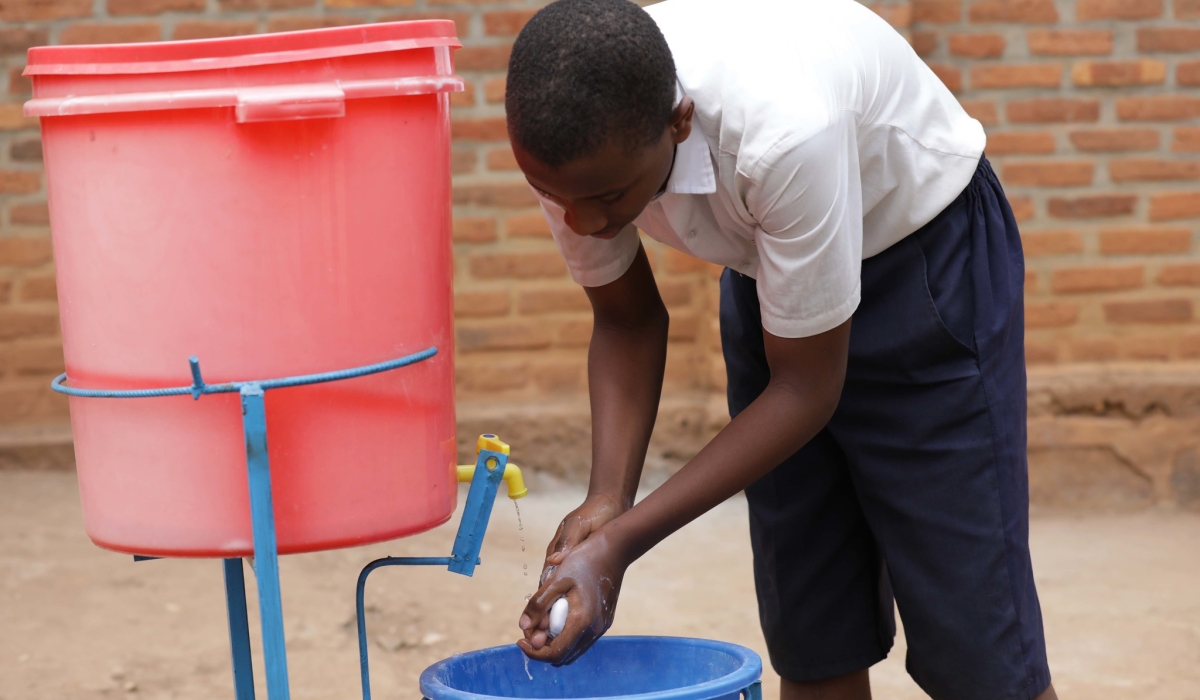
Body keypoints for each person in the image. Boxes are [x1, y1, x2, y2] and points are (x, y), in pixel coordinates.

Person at [505, 1, 1056, 699]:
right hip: (775, 276)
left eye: (608, 196)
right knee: (813, 631)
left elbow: (805, 391)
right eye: (554, 195)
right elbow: (627, 321)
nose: (581, 220)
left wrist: (619, 549)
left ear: (679, 120)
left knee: (980, 654)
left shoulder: (782, 131)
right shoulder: (576, 146)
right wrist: (605, 502)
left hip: (924, 275)